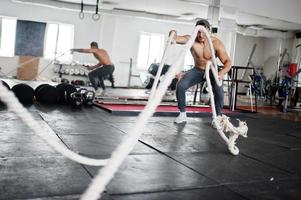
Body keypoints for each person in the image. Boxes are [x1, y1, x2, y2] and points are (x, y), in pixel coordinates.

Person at [170, 19, 232, 124]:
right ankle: (182, 114)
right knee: (180, 85)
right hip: (197, 70)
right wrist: (173, 33)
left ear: (209, 30)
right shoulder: (191, 39)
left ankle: (217, 117)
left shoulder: (216, 43)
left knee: (219, 92)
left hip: (212, 71)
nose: (201, 35)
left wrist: (221, 73)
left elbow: (228, 62)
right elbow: (177, 38)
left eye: (203, 32)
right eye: (198, 31)